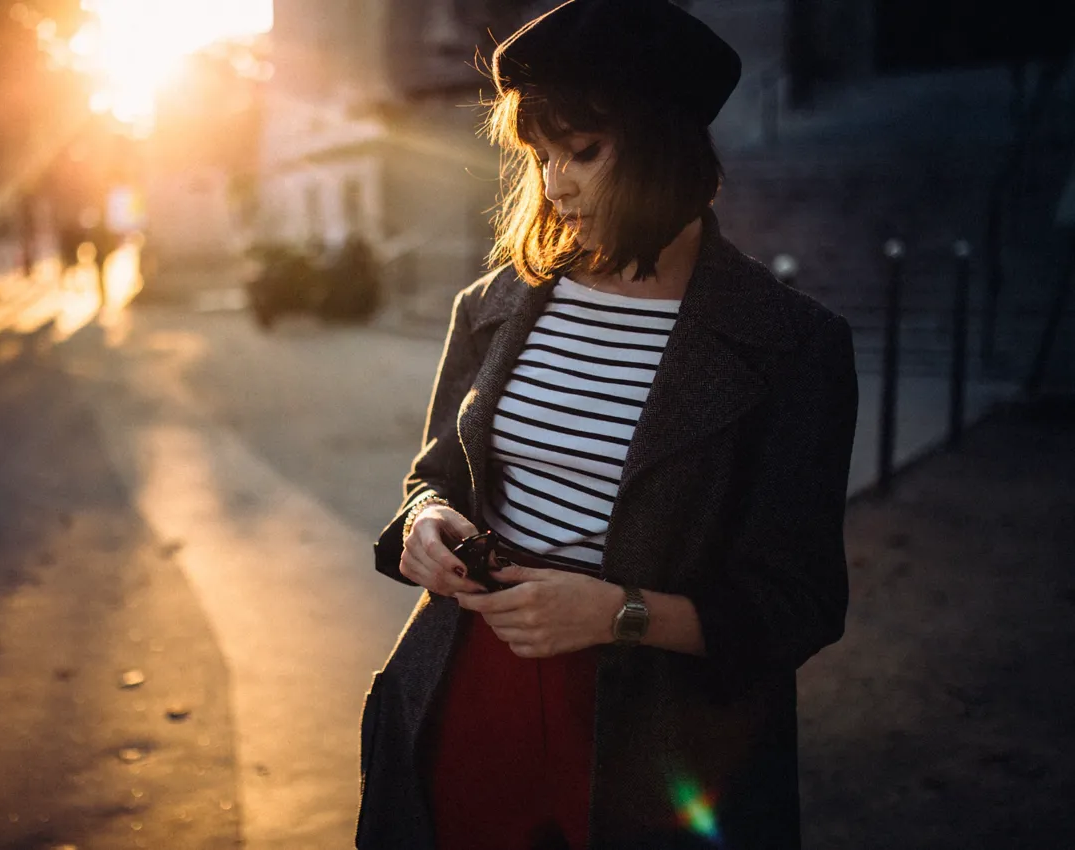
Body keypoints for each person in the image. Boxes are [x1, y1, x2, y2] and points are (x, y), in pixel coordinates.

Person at [356, 2, 858, 849]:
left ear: (666, 143)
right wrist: (424, 524)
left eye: (584, 151)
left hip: (664, 742)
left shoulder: (793, 346)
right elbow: (435, 474)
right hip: (467, 691)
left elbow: (798, 604)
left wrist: (618, 613)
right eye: (542, 155)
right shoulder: (493, 306)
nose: (554, 184)